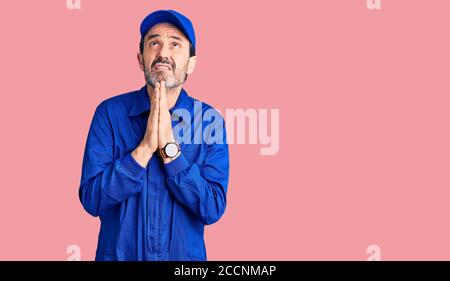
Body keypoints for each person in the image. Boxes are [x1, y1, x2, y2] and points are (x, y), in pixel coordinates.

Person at [79, 9, 229, 261]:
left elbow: (212, 208)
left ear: (192, 62)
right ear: (140, 59)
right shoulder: (109, 113)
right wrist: (144, 149)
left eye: (175, 44)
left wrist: (171, 150)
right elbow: (92, 199)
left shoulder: (209, 122)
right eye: (154, 43)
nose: (163, 53)